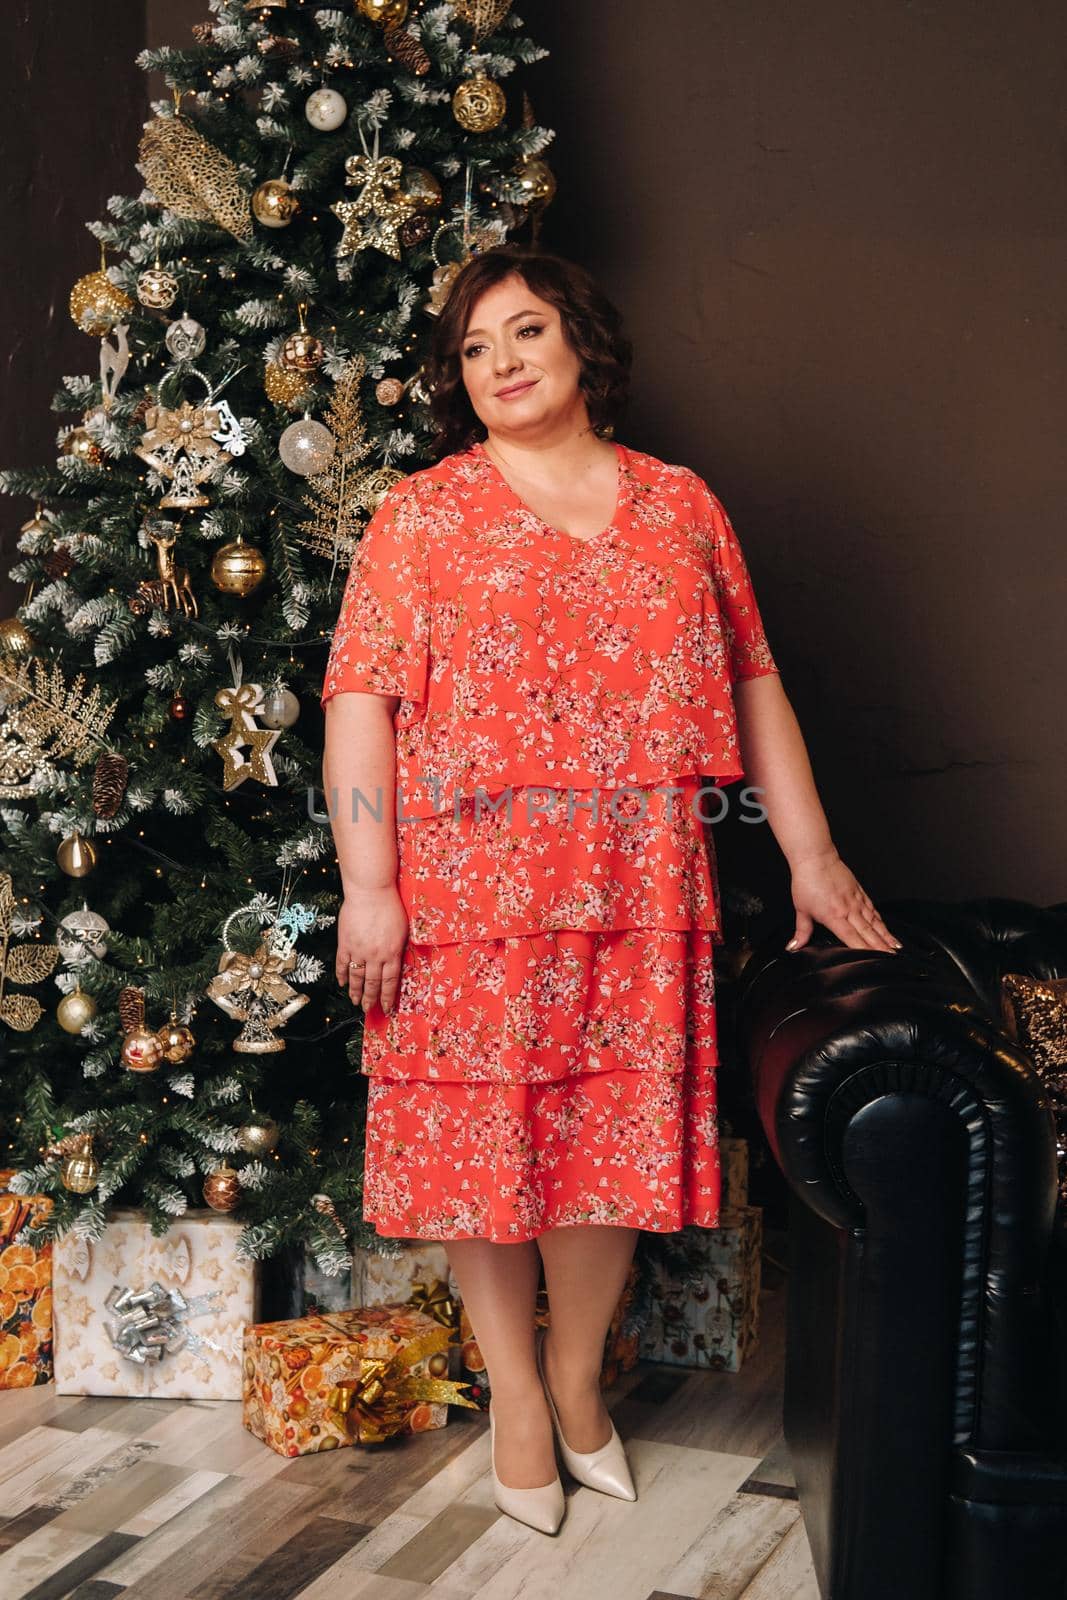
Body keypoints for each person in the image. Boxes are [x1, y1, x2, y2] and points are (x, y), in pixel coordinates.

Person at [320, 244, 899, 1536]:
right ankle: (516, 1398)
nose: (502, 364)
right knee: (487, 1153)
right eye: (474, 349)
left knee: (606, 1148)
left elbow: (753, 684)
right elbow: (359, 699)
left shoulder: (682, 504)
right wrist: (372, 881)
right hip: (467, 886)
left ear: (583, 344)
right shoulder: (421, 514)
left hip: (640, 880)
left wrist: (810, 853)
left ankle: (580, 1385)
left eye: (524, 333)